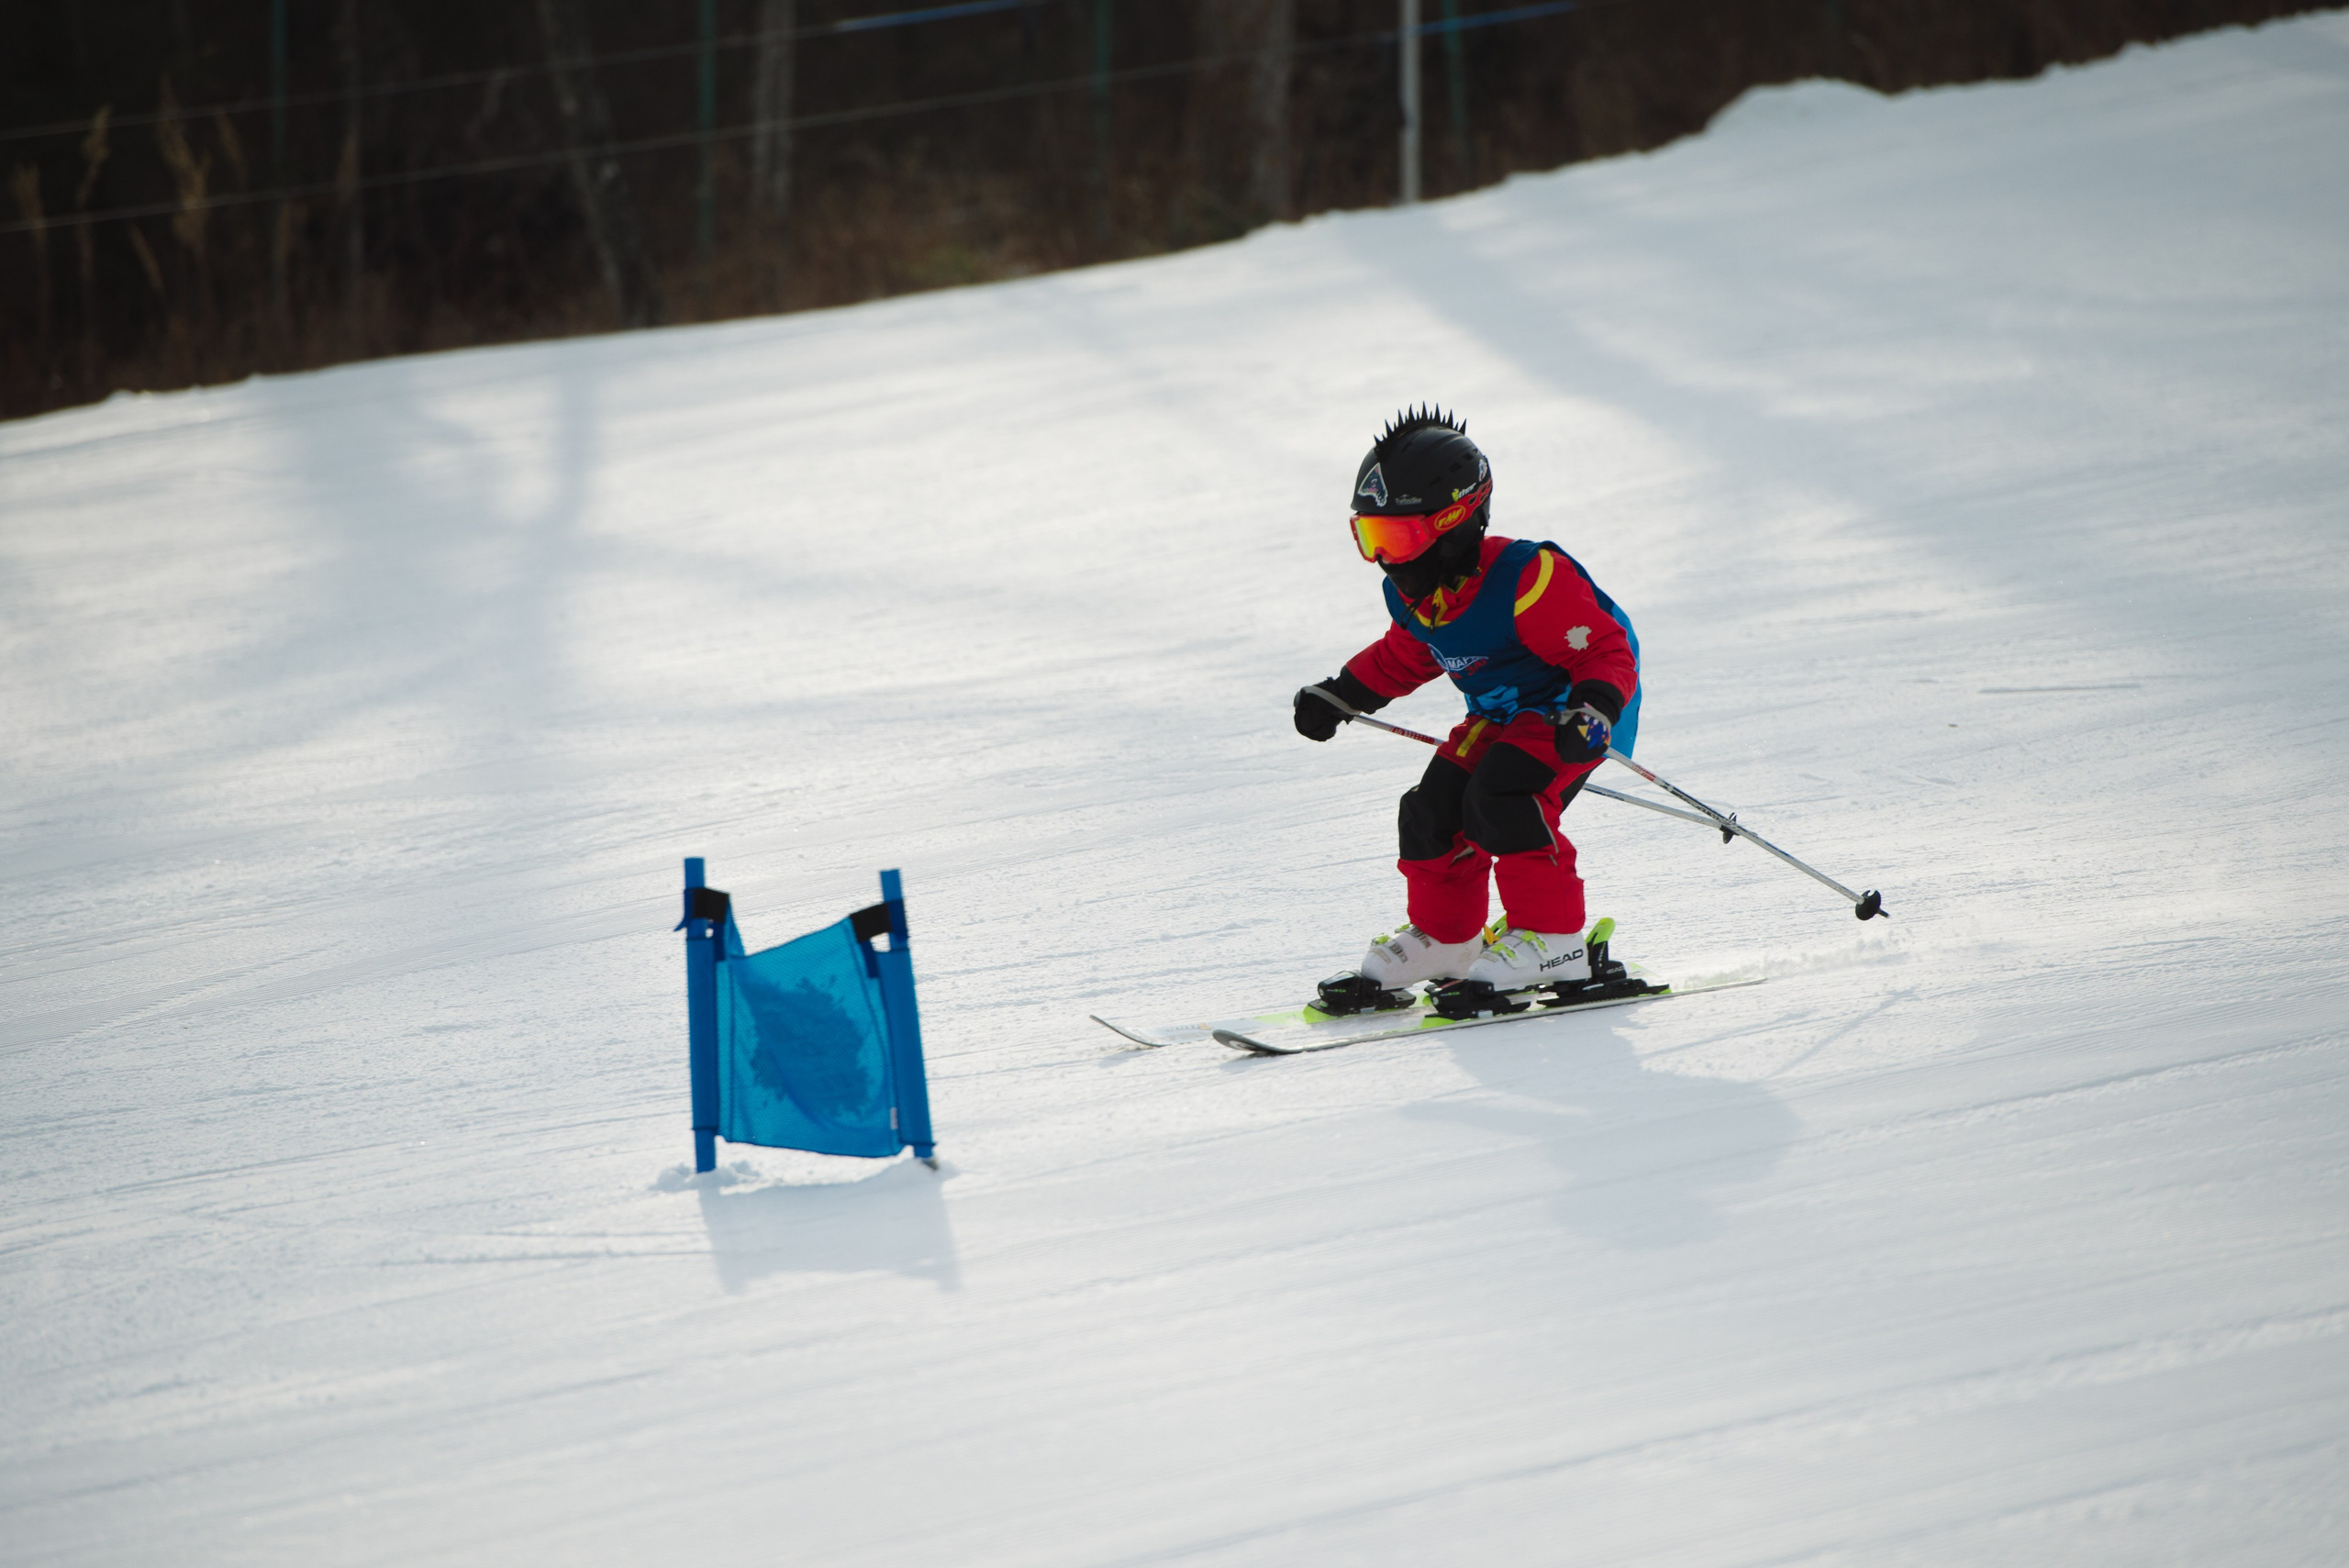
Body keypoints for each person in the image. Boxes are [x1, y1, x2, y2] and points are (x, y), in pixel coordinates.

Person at [1294, 406, 1641, 994]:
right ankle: (1448, 940)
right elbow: (1409, 652)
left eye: (1398, 537)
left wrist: (1593, 710)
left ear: (1455, 522)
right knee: (1430, 812)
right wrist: (1342, 694)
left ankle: (1554, 943)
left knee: (1503, 797)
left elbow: (1606, 650)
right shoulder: (1419, 594)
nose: (1387, 558)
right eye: (1372, 537)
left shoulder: (1526, 577)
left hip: (1572, 712)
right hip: (1499, 717)